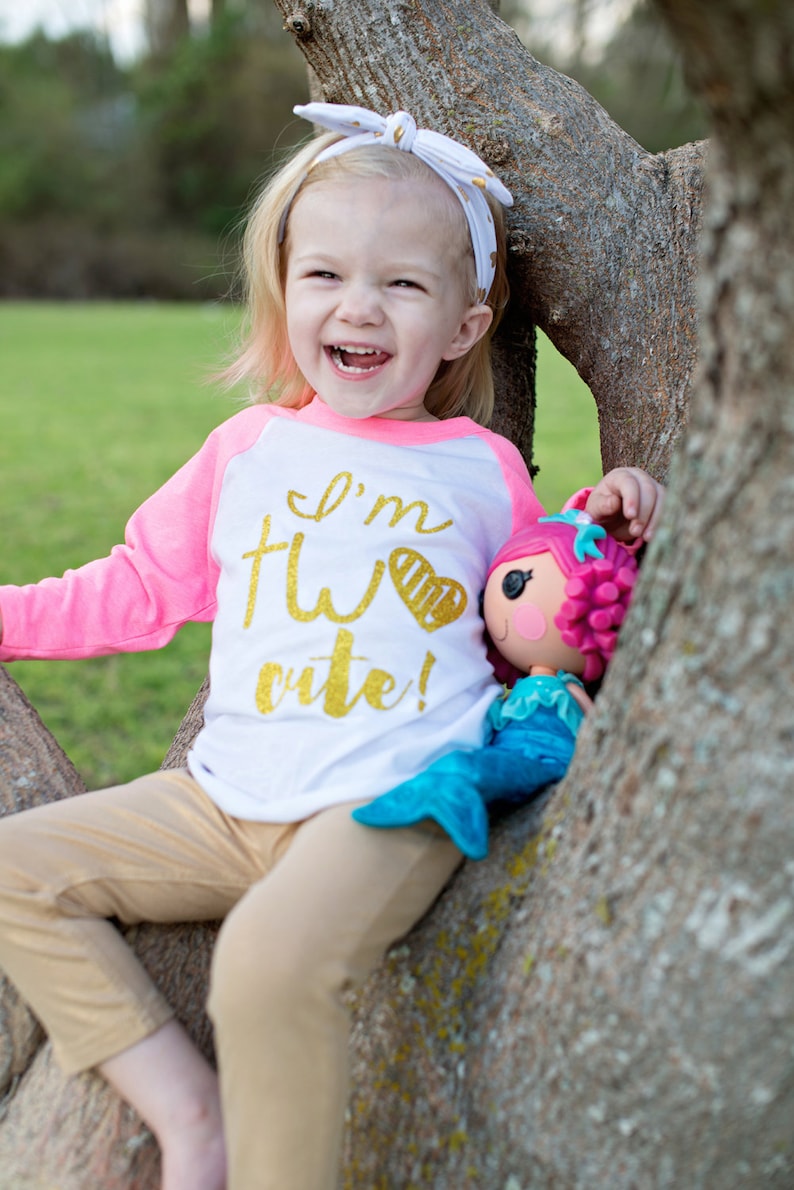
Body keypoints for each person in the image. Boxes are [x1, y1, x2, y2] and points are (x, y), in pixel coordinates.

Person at [0, 103, 664, 1190]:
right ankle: (187, 1113)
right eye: (325, 274)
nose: (357, 305)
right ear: (283, 288)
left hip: (389, 797)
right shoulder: (248, 449)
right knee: (15, 868)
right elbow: (135, 588)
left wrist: (612, 514)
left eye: (400, 283)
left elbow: (535, 601)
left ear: (463, 326)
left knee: (267, 967)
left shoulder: (480, 466)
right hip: (224, 797)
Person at [353, 510, 639, 858]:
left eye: (514, 585)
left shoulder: (567, 689)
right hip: (512, 748)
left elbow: (598, 727)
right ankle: (425, 792)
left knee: (498, 772)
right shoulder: (519, 691)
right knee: (482, 764)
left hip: (548, 760)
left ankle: (455, 796)